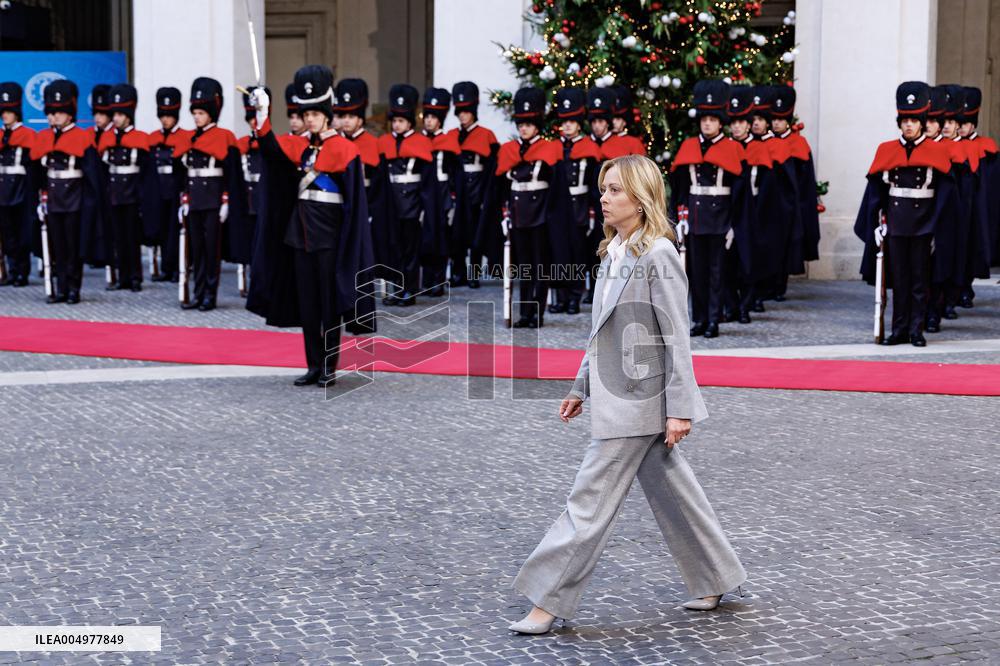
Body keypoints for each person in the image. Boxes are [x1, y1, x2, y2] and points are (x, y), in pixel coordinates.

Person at [509, 154, 746, 635]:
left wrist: (680, 410)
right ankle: (715, 577)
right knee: (674, 490)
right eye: (603, 188)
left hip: (640, 402)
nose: (604, 196)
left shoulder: (658, 254)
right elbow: (603, 333)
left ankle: (546, 602)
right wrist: (581, 387)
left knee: (588, 501)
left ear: (640, 199)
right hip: (621, 396)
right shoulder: (614, 252)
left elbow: (676, 336)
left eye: (615, 189)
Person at [245, 64, 376, 387]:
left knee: (329, 306)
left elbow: (353, 203)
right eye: (306, 116)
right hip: (298, 237)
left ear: (327, 116)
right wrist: (262, 113)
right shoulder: (298, 146)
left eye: (315, 115)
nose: (310, 120)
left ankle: (330, 366)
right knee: (308, 306)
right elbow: (270, 149)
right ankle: (313, 365)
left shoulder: (346, 150)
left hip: (330, 238)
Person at [854, 81, 956, 347]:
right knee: (899, 280)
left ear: (922, 122)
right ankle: (898, 329)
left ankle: (916, 329)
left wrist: (937, 227)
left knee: (919, 280)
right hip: (896, 223)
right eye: (904, 120)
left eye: (913, 120)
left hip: (924, 223)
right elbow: (876, 192)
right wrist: (877, 221)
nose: (909, 125)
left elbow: (945, 196)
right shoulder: (886, 150)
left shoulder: (938, 151)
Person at [669, 79, 746, 338]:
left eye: (712, 119)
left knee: (716, 274)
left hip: (721, 218)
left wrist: (734, 224)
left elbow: (740, 192)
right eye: (704, 119)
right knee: (695, 273)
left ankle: (714, 320)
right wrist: (679, 216)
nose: (707, 123)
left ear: (720, 121)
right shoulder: (689, 146)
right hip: (695, 217)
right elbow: (680, 186)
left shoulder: (733, 148)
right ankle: (699, 319)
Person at [482, 86, 561, 328]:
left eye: (528, 123)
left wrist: (549, 215)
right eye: (520, 123)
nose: (523, 128)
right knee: (523, 268)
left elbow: (555, 189)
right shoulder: (509, 151)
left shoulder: (550, 149)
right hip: (517, 215)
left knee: (540, 266)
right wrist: (504, 214)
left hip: (540, 216)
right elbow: (501, 189)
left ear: (537, 124)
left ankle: (536, 313)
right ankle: (524, 313)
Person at [171, 76, 246, 311]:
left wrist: (226, 201)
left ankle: (209, 296)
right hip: (194, 200)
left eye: (201, 113)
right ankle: (198, 292)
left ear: (211, 113)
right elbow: (182, 174)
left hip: (214, 201)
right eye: (194, 113)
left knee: (212, 251)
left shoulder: (224, 137)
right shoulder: (187, 138)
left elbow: (230, 175)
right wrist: (183, 199)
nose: (196, 116)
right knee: (196, 250)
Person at [30, 79, 106, 304]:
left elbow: (92, 177)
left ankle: (73, 288)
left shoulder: (83, 138)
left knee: (73, 247)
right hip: (53, 199)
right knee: (57, 247)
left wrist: (89, 204)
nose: (54, 116)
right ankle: (60, 288)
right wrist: (40, 198)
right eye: (51, 112)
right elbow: (38, 174)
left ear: (69, 113)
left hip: (75, 199)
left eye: (59, 112)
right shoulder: (43, 137)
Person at [97, 83, 160, 292]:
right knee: (117, 239)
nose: (115, 118)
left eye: (119, 114)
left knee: (132, 239)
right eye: (113, 113)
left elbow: (145, 176)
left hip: (132, 197)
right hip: (114, 196)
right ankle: (121, 277)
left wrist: (143, 200)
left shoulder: (140, 139)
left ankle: (135, 278)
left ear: (128, 115)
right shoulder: (107, 138)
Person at [376, 84, 433, 306]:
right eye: (395, 120)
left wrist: (423, 209)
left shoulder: (421, 143)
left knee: (411, 251)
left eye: (401, 121)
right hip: (391, 205)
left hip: (411, 205)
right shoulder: (384, 142)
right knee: (394, 249)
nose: (397, 124)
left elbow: (427, 184)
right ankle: (396, 290)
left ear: (409, 122)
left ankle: (410, 290)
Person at [549, 86, 601, 315]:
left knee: (577, 254)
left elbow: (593, 185)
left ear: (579, 122)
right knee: (558, 253)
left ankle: (574, 297)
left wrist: (591, 212)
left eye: (572, 121)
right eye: (564, 121)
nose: (567, 125)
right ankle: (559, 296)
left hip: (580, 207)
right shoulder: (553, 147)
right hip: (558, 208)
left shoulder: (589, 148)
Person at [770, 86, 820, 300]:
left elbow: (806, 180)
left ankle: (780, 284)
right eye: (774, 119)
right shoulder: (765, 142)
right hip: (770, 203)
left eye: (781, 119)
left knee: (785, 245)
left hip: (791, 205)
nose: (777, 123)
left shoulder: (799, 144)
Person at [448, 81, 499, 288]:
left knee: (477, 234)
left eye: (466, 111)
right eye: (459, 112)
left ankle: (473, 274)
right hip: (457, 192)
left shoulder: (486, 135)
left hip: (477, 190)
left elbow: (492, 168)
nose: (462, 115)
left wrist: (485, 194)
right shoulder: (451, 136)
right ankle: (457, 273)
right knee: (457, 235)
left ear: (473, 111)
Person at [724, 85, 766, 324]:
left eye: (742, 122)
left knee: (749, 261)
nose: (737, 126)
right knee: (728, 262)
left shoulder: (760, 148)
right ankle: (730, 306)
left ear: (749, 124)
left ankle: (745, 305)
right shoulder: (728, 148)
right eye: (734, 122)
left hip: (754, 212)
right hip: (731, 210)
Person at [148, 86, 190, 283]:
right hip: (158, 189)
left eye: (169, 115)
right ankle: (166, 266)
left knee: (177, 230)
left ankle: (179, 266)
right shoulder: (153, 138)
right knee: (163, 229)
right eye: (162, 115)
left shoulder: (185, 137)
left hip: (176, 189)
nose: (165, 119)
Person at [420, 86, 458, 296]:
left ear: (440, 119)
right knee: (425, 236)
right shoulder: (418, 141)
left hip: (442, 193)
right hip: (424, 194)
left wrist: (452, 197)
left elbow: (454, 173)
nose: (428, 121)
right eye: (426, 117)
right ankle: (425, 279)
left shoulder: (449, 141)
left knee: (441, 237)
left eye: (433, 117)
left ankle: (438, 280)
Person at [0, 81, 36, 287]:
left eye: (8, 111)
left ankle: (22, 271)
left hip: (20, 189)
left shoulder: (28, 135)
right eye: (2, 111)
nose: (5, 115)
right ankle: (12, 270)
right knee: (7, 233)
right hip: (3, 190)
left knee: (21, 232)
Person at [582, 87, 616, 304]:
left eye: (601, 122)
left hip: (613, 205)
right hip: (590, 205)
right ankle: (593, 288)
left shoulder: (620, 144)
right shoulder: (585, 145)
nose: (597, 125)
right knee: (592, 249)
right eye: (594, 122)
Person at [601, 85, 647, 158]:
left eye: (618, 119)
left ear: (625, 122)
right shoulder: (600, 141)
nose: (613, 122)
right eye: (611, 118)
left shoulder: (634, 143)